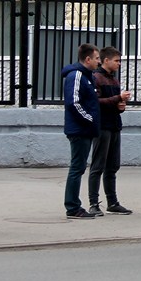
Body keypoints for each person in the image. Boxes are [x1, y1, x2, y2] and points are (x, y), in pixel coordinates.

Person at [87, 46, 132, 216]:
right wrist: (118, 99)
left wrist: (121, 106)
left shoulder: (113, 80)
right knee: (98, 166)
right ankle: (93, 203)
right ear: (106, 60)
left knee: (112, 166)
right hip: (102, 126)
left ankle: (112, 202)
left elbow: (112, 103)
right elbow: (96, 102)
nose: (119, 64)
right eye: (117, 61)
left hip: (114, 125)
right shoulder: (96, 78)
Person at [63, 43, 101, 219]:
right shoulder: (76, 75)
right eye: (96, 58)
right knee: (77, 168)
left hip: (85, 129)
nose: (98, 62)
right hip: (79, 129)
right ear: (87, 59)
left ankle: (73, 205)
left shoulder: (88, 76)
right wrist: (90, 119)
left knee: (78, 167)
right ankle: (72, 207)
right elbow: (74, 103)